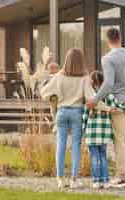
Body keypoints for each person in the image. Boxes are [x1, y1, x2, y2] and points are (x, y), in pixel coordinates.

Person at [87, 28, 125, 188]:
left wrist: (95, 99)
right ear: (120, 38)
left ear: (108, 40)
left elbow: (108, 84)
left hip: (117, 104)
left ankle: (121, 176)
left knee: (119, 139)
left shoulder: (107, 58)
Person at [40, 49, 94, 189]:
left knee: (61, 145)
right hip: (77, 113)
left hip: (62, 112)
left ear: (66, 60)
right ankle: (74, 180)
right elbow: (91, 97)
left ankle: (60, 179)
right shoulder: (84, 77)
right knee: (76, 146)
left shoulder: (59, 76)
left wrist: (52, 98)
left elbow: (44, 92)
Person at [83, 71, 125, 189]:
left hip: (91, 133)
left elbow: (85, 115)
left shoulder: (90, 97)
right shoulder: (109, 96)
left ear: (91, 83)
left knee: (94, 157)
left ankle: (96, 181)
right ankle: (105, 181)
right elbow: (119, 106)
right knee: (103, 156)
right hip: (104, 133)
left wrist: (83, 130)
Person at [42, 62, 59, 133]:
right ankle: (57, 125)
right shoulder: (59, 76)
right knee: (56, 111)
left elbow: (43, 86)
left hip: (52, 97)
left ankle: (57, 125)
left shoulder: (48, 77)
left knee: (53, 111)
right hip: (60, 96)